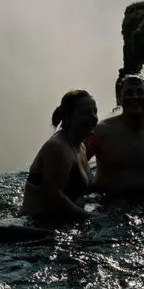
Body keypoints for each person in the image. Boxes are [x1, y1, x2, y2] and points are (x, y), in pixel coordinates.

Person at [86, 75, 144, 201]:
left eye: (140, 92)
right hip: (107, 203)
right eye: (129, 93)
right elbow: (75, 165)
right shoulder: (100, 132)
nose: (135, 97)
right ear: (119, 99)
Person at [21, 90, 98, 223]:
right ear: (68, 118)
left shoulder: (80, 146)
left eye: (95, 112)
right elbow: (54, 197)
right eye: (86, 113)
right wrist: (91, 219)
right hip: (35, 226)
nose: (93, 117)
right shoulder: (57, 147)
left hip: (60, 223)